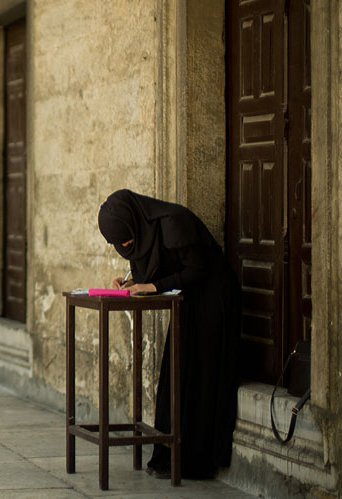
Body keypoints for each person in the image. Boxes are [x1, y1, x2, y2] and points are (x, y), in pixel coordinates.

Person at [97, 189, 241, 479]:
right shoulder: (143, 230)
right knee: (176, 376)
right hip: (188, 302)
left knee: (201, 379)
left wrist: (153, 287)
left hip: (214, 300)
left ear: (135, 222)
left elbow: (198, 268)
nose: (125, 245)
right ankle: (168, 458)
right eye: (119, 243)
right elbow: (154, 263)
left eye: (126, 239)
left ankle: (194, 464)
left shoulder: (175, 221)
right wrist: (133, 280)